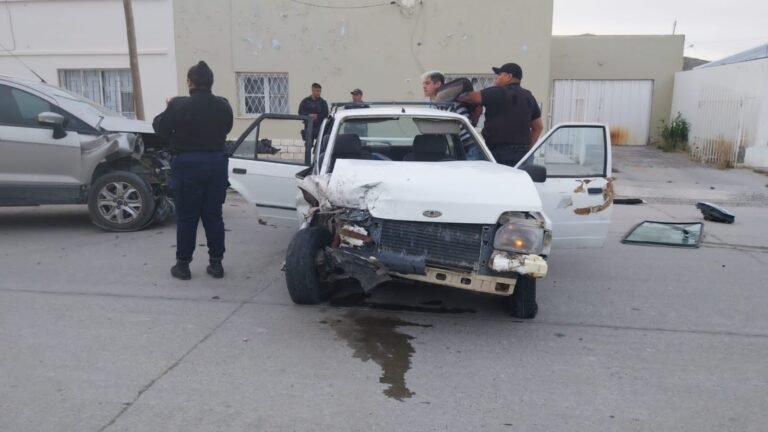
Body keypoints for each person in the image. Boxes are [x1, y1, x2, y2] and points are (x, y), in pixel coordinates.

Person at [153, 61, 233, 280]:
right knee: (213, 216)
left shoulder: (179, 105)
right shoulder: (223, 106)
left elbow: (160, 129)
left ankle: (183, 265)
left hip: (187, 164)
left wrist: (168, 107)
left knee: (187, 217)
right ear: (211, 83)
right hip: (216, 163)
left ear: (189, 82)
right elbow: (227, 128)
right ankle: (216, 264)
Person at [460, 62, 543, 166]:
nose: (496, 78)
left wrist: (450, 93)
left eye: (499, 74)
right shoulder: (529, 97)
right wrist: (527, 151)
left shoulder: (498, 92)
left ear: (509, 76)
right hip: (523, 153)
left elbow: (469, 97)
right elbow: (538, 127)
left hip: (499, 152)